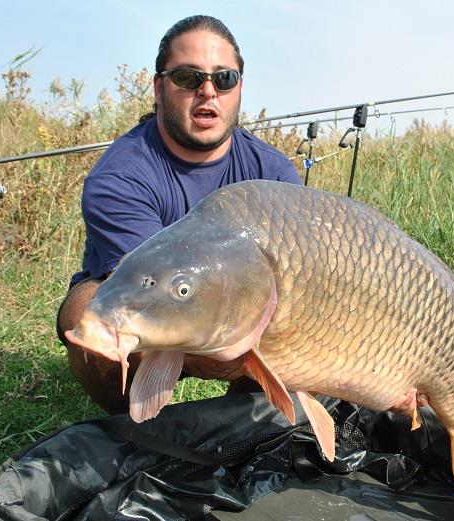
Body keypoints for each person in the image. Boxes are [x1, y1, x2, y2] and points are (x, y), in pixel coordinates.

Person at [56, 15, 301, 414]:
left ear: (239, 87)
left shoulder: (274, 174)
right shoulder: (120, 176)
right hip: (164, 310)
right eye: (188, 78)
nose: (208, 92)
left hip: (251, 316)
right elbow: (152, 291)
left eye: (224, 79)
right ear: (159, 87)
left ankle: (249, 425)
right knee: (86, 309)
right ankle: (138, 431)